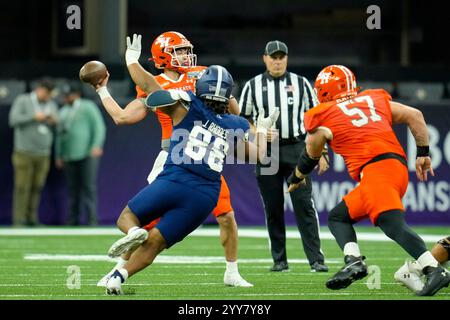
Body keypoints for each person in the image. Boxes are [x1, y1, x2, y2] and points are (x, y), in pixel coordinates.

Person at [95, 64, 276, 295]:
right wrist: (261, 130)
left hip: (175, 178)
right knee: (157, 242)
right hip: (205, 195)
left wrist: (131, 62)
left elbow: (151, 88)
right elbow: (257, 155)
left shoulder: (187, 104)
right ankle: (119, 276)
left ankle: (132, 233)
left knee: (127, 218)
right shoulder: (235, 124)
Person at [287, 64, 450, 296]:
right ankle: (353, 261)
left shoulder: (322, 116)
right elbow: (415, 115)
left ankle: (433, 268)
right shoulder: (373, 100)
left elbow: (311, 154)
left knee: (390, 223)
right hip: (394, 169)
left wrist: (297, 176)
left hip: (376, 172)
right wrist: (423, 153)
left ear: (324, 91)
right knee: (338, 217)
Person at [239, 40, 328, 272]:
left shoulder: (302, 84)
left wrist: (323, 152)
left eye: (281, 57)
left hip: (297, 148)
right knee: (273, 206)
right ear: (264, 58)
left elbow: (317, 119)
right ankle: (279, 260)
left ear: (286, 59)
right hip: (266, 151)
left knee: (304, 204)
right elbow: (242, 119)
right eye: (273, 57)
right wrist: (258, 131)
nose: (277, 61)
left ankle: (316, 260)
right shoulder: (252, 85)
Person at [9, 78, 58, 226]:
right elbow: (13, 120)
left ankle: (31, 218)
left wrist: (53, 120)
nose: (48, 97)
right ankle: (19, 219)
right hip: (24, 152)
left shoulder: (51, 104)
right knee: (22, 186)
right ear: (40, 89)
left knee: (37, 187)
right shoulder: (23, 100)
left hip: (43, 153)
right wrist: (33, 117)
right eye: (47, 94)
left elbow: (58, 122)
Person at [55, 83, 106, 225]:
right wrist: (58, 155)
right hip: (69, 154)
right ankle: (73, 219)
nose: (67, 98)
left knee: (88, 187)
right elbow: (59, 135)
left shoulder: (87, 106)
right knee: (72, 189)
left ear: (76, 94)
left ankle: (91, 219)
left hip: (87, 153)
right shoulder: (63, 111)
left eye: (69, 95)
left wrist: (96, 145)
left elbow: (98, 127)